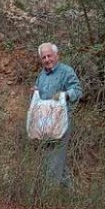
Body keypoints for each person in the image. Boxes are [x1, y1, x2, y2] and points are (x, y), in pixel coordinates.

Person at [33, 42, 82, 187]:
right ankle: (71, 198)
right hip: (45, 124)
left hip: (61, 123)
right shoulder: (41, 76)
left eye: (49, 56)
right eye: (44, 57)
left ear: (57, 56)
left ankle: (49, 201)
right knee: (54, 161)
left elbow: (78, 91)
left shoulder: (66, 71)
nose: (47, 59)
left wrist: (65, 94)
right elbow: (40, 98)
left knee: (54, 161)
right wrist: (36, 92)